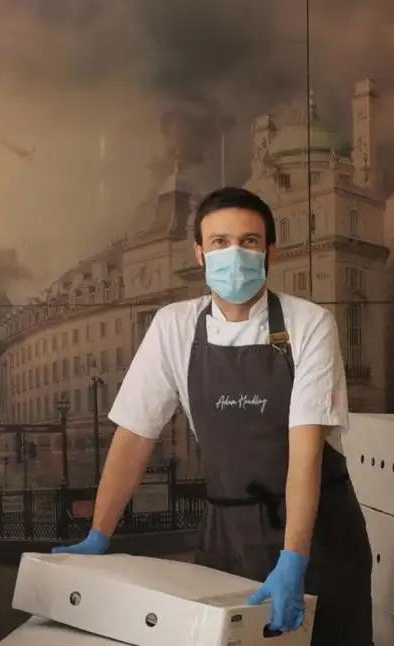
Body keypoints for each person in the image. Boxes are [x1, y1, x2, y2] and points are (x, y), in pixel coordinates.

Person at [53, 187, 372, 644]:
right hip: (228, 532)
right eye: (220, 242)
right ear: (199, 254)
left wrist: (294, 559)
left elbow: (305, 455)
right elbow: (134, 437)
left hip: (317, 529)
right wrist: (99, 532)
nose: (234, 254)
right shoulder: (174, 326)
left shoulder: (310, 323)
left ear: (269, 252)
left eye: (249, 241)